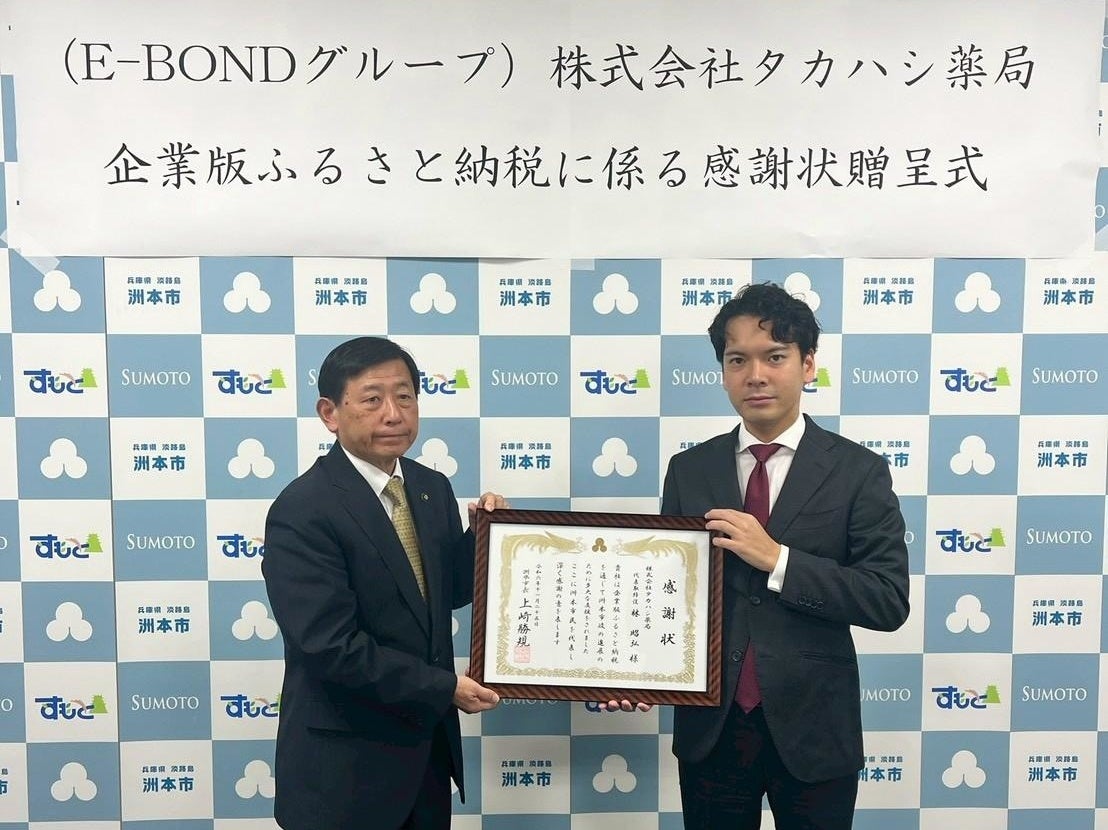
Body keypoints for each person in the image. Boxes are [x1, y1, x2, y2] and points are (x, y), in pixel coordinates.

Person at [659, 282, 910, 829]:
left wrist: (778, 559)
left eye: (774, 357)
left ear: (808, 364)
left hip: (815, 728)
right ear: (723, 371)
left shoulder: (858, 471)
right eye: (737, 360)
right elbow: (670, 598)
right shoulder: (689, 470)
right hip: (712, 731)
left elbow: (887, 599)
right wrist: (629, 675)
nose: (755, 375)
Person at [262, 336, 506, 830]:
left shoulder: (430, 487)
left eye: (405, 397)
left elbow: (444, 593)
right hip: (345, 775)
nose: (394, 414)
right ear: (330, 413)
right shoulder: (303, 509)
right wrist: (444, 688)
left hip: (426, 761)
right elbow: (329, 646)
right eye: (372, 399)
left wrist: (485, 538)